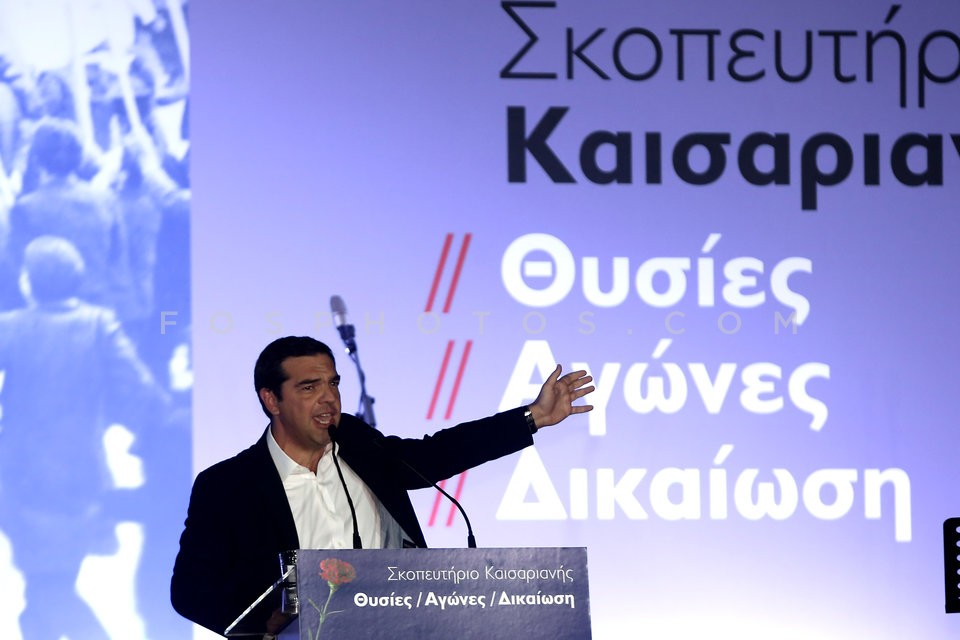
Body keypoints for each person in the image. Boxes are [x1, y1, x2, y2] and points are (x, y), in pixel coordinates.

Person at [170, 335, 594, 635]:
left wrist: (532, 417)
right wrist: (267, 624)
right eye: (309, 387)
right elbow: (190, 592)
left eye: (333, 383)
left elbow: (435, 454)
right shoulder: (228, 485)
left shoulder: (357, 442)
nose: (329, 398)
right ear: (271, 400)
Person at [0, 236, 167, 639]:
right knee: (49, 585)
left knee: (47, 587)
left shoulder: (9, 328)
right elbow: (140, 395)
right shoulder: (98, 325)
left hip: (19, 474)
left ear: (30, 280)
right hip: (79, 469)